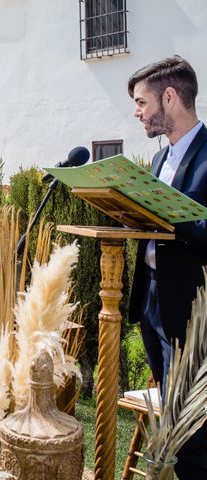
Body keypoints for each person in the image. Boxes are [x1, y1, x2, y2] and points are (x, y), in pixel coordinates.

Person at [128, 55, 207, 478]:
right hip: (153, 303)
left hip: (193, 312)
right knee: (173, 419)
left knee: (195, 429)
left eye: (142, 102)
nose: (137, 112)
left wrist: (170, 217)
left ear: (170, 97)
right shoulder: (158, 163)